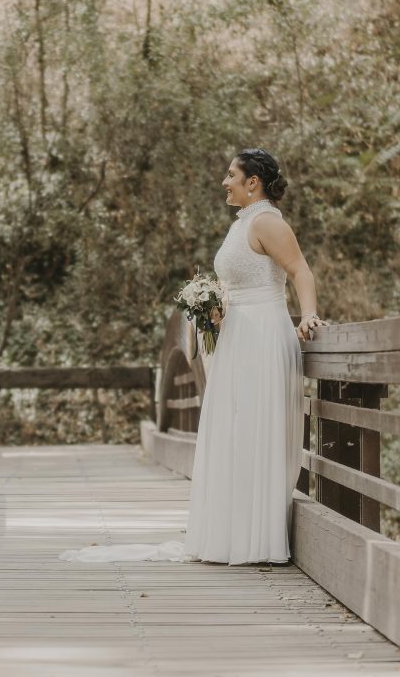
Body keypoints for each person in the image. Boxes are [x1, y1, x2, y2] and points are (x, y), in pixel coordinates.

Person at [61, 148, 326, 565]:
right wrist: (215, 307)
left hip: (263, 335)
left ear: (252, 182)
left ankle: (258, 537)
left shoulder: (268, 222)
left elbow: (299, 270)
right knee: (234, 432)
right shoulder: (242, 225)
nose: (225, 181)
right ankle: (233, 534)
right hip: (238, 336)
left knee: (256, 429)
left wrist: (308, 315)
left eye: (231, 174)